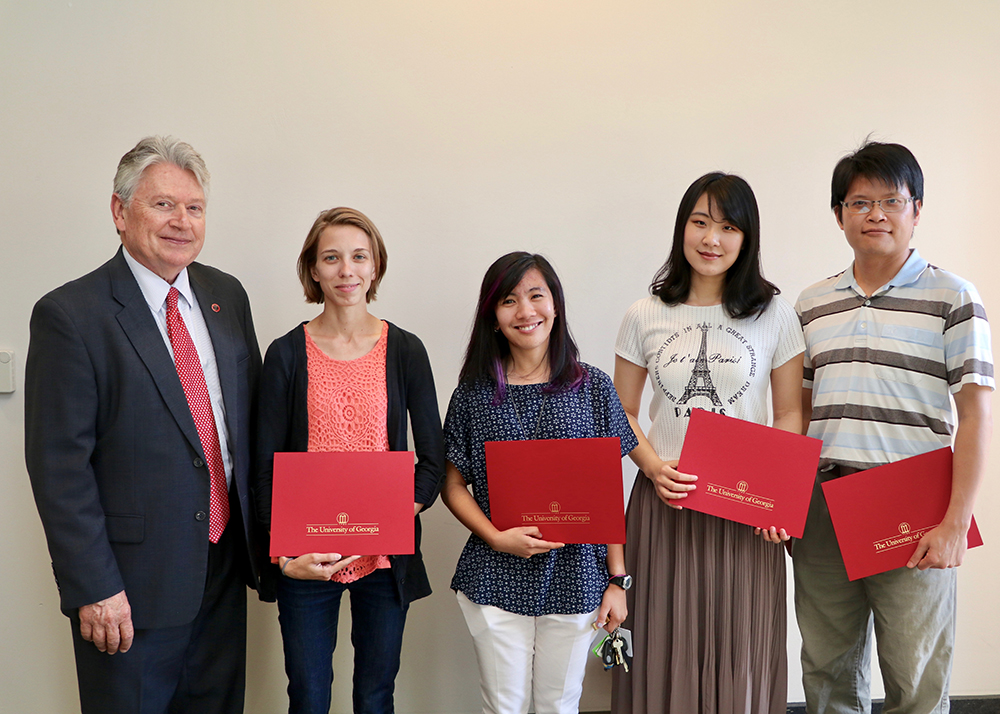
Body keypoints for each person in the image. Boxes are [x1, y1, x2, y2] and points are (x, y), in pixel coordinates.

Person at [24, 136, 262, 714]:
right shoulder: (71, 315)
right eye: (163, 205)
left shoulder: (225, 295)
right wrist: (95, 587)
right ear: (119, 211)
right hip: (129, 588)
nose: (182, 221)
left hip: (225, 569)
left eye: (195, 207)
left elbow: (250, 427)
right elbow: (59, 468)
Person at [793, 141, 993, 713]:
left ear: (916, 209)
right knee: (826, 670)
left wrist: (956, 522)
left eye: (890, 200)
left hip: (911, 504)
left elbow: (976, 415)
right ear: (839, 214)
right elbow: (800, 414)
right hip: (822, 505)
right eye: (860, 202)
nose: (875, 214)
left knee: (916, 675)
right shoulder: (812, 304)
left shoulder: (953, 296)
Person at [611, 173, 805, 714]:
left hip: (747, 509)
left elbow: (790, 412)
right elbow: (621, 411)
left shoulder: (775, 314)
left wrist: (776, 491)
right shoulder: (644, 314)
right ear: (682, 229)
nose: (711, 238)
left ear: (747, 238)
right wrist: (651, 467)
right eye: (699, 222)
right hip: (663, 503)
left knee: (740, 648)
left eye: (727, 226)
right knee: (660, 647)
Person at [254, 206, 445, 714]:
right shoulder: (286, 354)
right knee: (310, 697)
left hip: (384, 557)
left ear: (375, 266)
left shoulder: (405, 350)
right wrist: (283, 557)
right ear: (313, 270)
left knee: (376, 696)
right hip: (306, 555)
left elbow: (433, 457)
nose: (347, 270)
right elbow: (264, 467)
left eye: (359, 257)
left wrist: (401, 512)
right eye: (332, 258)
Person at [441, 251, 638, 714]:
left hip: (576, 576)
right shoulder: (472, 394)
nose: (525, 311)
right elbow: (452, 484)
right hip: (494, 573)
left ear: (556, 306)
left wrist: (617, 580)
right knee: (502, 705)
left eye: (536, 296)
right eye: (509, 301)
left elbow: (607, 488)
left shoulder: (594, 386)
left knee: (560, 704)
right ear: (492, 316)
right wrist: (496, 537)